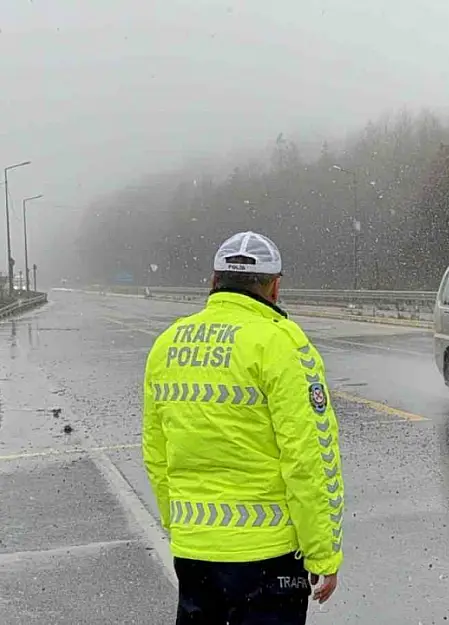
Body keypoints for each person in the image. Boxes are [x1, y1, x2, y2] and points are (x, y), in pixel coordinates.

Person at [142, 231, 345, 624]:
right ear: (274, 287)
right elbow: (309, 457)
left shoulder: (167, 344)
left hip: (194, 552)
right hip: (267, 557)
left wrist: (180, 524)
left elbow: (156, 452)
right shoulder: (281, 343)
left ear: (214, 281)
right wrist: (323, 552)